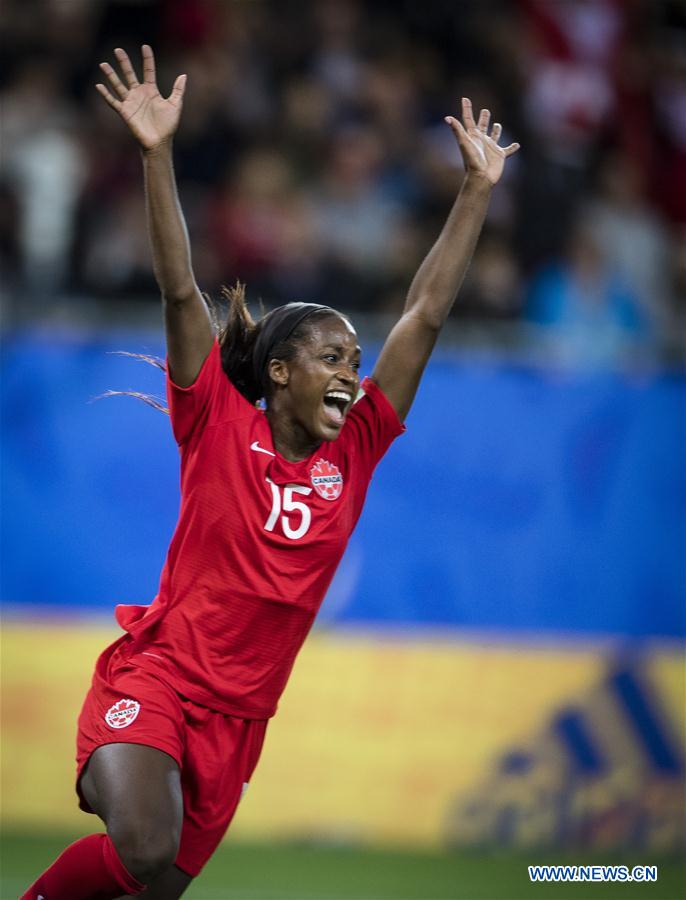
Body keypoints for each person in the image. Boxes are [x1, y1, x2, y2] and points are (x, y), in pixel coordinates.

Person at [22, 45, 518, 900]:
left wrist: (475, 191)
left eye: (355, 361)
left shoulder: (356, 448)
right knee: (144, 848)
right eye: (332, 358)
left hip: (242, 723)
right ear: (280, 372)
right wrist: (156, 155)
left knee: (146, 888)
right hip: (159, 681)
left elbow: (425, 315)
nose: (352, 374)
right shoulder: (216, 421)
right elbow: (182, 293)